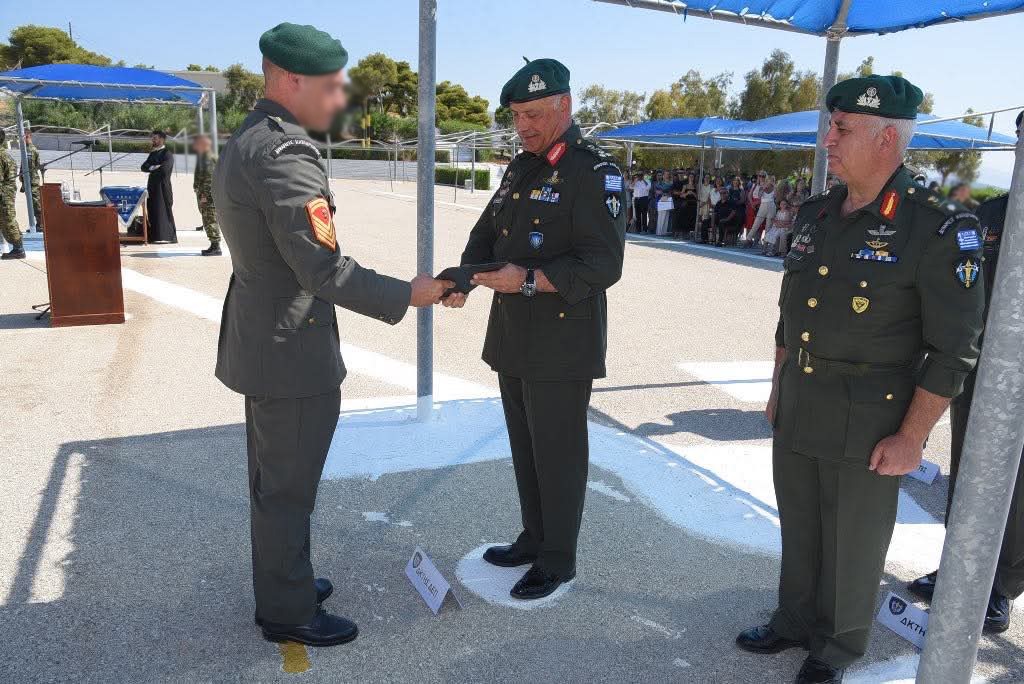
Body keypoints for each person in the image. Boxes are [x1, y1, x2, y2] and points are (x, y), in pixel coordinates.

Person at [736, 75, 985, 684]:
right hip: (803, 396)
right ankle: (794, 618)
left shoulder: (938, 225)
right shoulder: (819, 213)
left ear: (886, 139)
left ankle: (837, 646)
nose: (828, 140)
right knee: (800, 521)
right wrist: (778, 387)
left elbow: (954, 349)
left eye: (842, 129)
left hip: (872, 411)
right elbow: (790, 312)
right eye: (831, 126)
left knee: (854, 537)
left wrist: (912, 437)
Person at [212, 22, 451, 647]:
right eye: (332, 85)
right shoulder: (285, 153)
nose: (340, 97)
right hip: (291, 351)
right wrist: (409, 293)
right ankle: (287, 611)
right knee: (287, 491)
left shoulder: (247, 138)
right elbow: (322, 269)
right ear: (293, 80)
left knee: (275, 482)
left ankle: (285, 581)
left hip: (264, 341)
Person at [442, 57, 625, 601]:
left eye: (534, 115)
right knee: (525, 448)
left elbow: (603, 264)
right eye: (516, 116)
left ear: (564, 106)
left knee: (558, 453)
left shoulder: (594, 172)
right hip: (513, 334)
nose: (522, 126)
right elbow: (487, 231)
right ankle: (535, 537)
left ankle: (558, 558)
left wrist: (526, 280)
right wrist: (466, 276)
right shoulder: (522, 167)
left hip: (562, 341)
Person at [907, 109, 1024, 634]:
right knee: (969, 465)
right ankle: (959, 565)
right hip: (981, 367)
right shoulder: (991, 214)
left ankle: (1000, 585)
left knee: (1019, 484)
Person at [141, 130, 178, 243]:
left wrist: (152, 168)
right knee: (153, 210)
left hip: (162, 187)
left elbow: (164, 170)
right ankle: (154, 236)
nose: (153, 140)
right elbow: (144, 167)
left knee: (163, 210)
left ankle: (168, 236)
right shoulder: (153, 153)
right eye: (152, 138)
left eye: (155, 138)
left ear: (162, 139)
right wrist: (154, 167)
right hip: (152, 187)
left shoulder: (167, 153)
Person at [191, 134, 220, 256]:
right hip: (205, 193)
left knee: (210, 218)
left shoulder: (208, 157)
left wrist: (204, 195)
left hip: (207, 194)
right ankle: (214, 244)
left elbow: (209, 178)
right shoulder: (204, 156)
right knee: (208, 218)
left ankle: (215, 246)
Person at [1, 129, 24, 260]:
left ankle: (18, 249)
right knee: (7, 219)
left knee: (8, 220)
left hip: (4, 193)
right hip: (7, 192)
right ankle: (17, 247)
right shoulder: (5, 155)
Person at [18, 129, 43, 233]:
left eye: (23, 137)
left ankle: (40, 225)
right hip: (28, 181)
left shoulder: (31, 150)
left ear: (27, 136)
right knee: (32, 204)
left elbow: (34, 166)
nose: (21, 139)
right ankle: (36, 225)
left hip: (32, 182)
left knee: (36, 204)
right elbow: (23, 164)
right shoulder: (26, 149)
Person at [746, 174, 775, 247]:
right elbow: (759, 196)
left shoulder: (775, 188)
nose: (771, 181)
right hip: (763, 206)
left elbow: (776, 197)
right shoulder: (762, 187)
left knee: (768, 226)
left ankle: (765, 244)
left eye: (772, 180)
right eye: (770, 180)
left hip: (772, 206)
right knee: (756, 223)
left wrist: (774, 187)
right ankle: (748, 239)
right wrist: (764, 188)